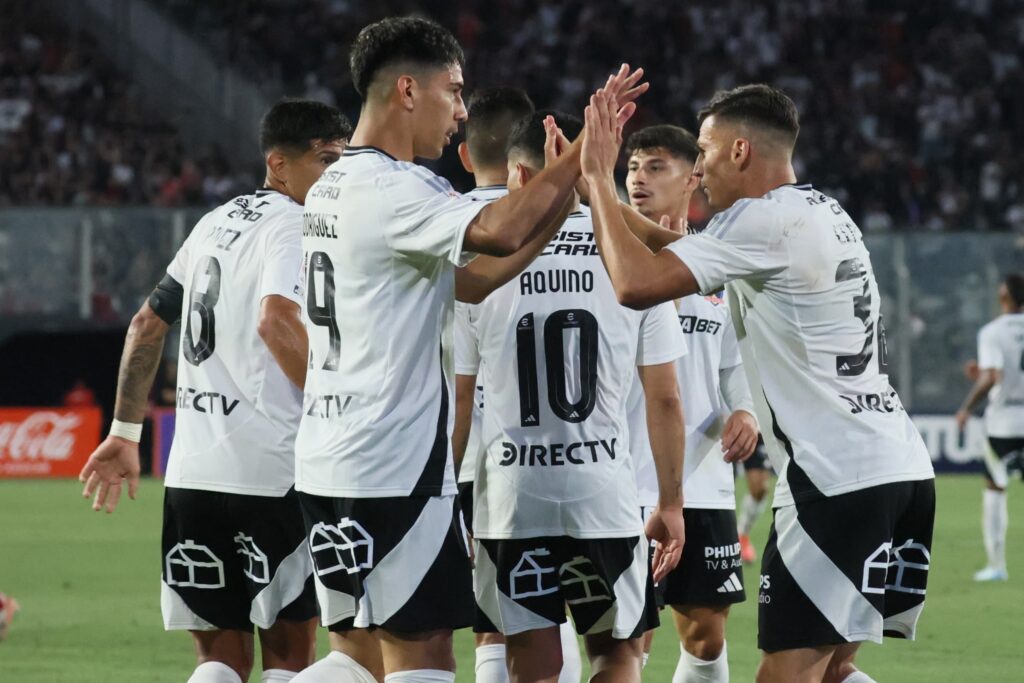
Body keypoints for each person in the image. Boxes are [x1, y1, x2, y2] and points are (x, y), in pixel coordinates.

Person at [292, 17, 647, 683]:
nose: (461, 110)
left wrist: (566, 194)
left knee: (359, 655)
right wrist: (584, 155)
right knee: (422, 654)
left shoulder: (335, 185)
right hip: (390, 465)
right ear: (406, 90)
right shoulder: (397, 189)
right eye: (453, 91)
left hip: (328, 458)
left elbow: (476, 275)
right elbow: (494, 227)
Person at [581, 84, 935, 683]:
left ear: (741, 150)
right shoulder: (822, 210)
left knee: (784, 673)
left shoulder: (757, 220)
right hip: (897, 467)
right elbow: (685, 249)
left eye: (706, 150)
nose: (700, 167)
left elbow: (635, 285)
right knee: (831, 670)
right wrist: (591, 198)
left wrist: (595, 178)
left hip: (835, 479)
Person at [78, 99, 352, 683]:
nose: (339, 175)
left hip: (192, 480)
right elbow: (276, 320)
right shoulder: (296, 226)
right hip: (273, 477)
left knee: (217, 662)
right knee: (289, 659)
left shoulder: (214, 222)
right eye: (327, 161)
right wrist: (341, 410)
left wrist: (125, 433)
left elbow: (146, 324)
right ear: (279, 165)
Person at [459, 108, 686, 683]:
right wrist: (672, 503)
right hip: (602, 489)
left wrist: (444, 500)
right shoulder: (631, 256)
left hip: (512, 493)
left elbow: (460, 399)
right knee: (617, 654)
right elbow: (664, 398)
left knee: (530, 660)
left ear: (517, 179)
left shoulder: (478, 266)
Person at [451, 86, 583, 683]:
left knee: (495, 625)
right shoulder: (593, 236)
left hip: (465, 458)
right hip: (576, 456)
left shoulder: (436, 225)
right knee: (571, 622)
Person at [623, 124, 759, 683]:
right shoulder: (614, 263)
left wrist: (745, 410)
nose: (637, 178)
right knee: (627, 639)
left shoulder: (718, 270)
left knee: (705, 636)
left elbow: (734, 365)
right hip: (624, 478)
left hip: (703, 479)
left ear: (692, 178)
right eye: (631, 166)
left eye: (655, 166)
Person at [956, 273, 1024, 582]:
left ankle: (997, 565)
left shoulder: (993, 332)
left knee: (996, 489)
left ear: (1004, 297)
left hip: (1004, 425)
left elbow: (993, 378)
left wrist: (966, 408)